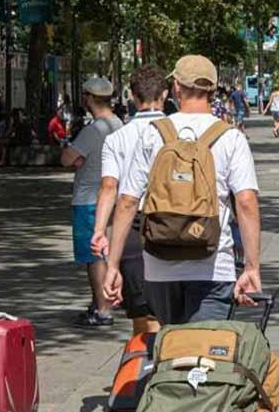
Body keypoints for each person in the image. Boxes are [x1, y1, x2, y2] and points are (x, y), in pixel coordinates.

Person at [103, 55, 262, 326]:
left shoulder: (153, 133)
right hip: (213, 265)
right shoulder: (230, 137)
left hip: (159, 266)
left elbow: (128, 201)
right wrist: (251, 267)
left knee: (171, 348)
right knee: (202, 356)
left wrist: (113, 266)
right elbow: (246, 202)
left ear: (176, 86)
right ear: (212, 90)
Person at [89, 66, 168, 338]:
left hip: (132, 229)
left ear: (133, 97)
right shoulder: (177, 132)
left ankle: (144, 368)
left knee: (141, 314)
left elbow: (109, 186)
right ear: (166, 94)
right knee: (172, 309)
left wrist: (100, 230)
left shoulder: (116, 138)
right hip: (172, 224)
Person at [61, 77, 123, 327]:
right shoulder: (119, 124)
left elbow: (67, 159)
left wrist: (71, 151)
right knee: (106, 253)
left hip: (89, 199)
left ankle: (102, 309)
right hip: (113, 199)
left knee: (94, 256)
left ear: (89, 98)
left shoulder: (93, 130)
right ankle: (103, 300)